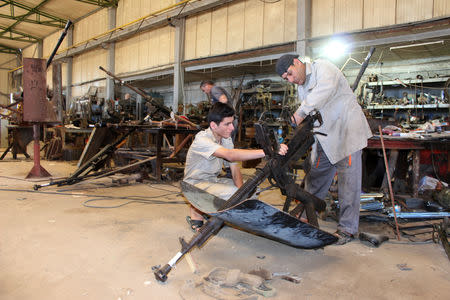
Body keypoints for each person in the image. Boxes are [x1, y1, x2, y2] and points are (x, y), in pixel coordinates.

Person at [275, 54, 372, 245]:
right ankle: (306, 214)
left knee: (349, 183)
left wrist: (299, 114)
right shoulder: (302, 86)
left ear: (297, 62)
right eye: (287, 79)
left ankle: (347, 229)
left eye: (290, 74)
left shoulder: (324, 68)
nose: (292, 80)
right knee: (316, 175)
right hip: (325, 137)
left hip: (346, 133)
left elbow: (321, 94)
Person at [183, 102, 288, 231]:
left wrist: (243, 193)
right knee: (232, 195)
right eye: (227, 124)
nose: (232, 128)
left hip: (212, 181)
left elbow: (234, 168)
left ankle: (211, 209)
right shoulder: (202, 139)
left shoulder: (225, 139)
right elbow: (231, 155)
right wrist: (269, 151)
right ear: (213, 125)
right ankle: (196, 213)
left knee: (252, 191)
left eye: (232, 123)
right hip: (194, 185)